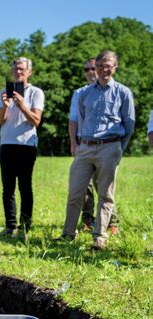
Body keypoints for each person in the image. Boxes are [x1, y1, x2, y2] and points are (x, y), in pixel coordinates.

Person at [60, 50, 135, 250]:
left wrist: (119, 148)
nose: (103, 70)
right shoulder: (85, 93)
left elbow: (129, 124)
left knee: (105, 194)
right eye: (99, 66)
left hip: (110, 147)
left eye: (107, 66)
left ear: (115, 67)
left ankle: (99, 237)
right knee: (75, 193)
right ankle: (68, 233)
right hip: (86, 147)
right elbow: (80, 120)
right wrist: (79, 143)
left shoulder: (123, 92)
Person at [0, 57, 44, 237]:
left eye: (22, 69)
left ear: (29, 72)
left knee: (25, 187)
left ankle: (25, 227)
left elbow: (36, 121)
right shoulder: (4, 92)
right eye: (16, 69)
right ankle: (10, 226)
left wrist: (22, 105)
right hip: (7, 145)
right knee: (7, 188)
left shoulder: (36, 93)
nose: (18, 72)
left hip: (26, 145)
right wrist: (6, 106)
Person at [69, 58, 118, 233]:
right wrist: (74, 143)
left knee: (104, 185)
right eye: (87, 69)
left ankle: (111, 222)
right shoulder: (80, 93)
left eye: (93, 68)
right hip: (85, 145)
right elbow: (73, 120)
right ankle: (87, 219)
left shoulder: (113, 91)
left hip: (106, 146)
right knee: (84, 186)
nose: (90, 71)